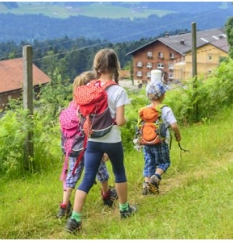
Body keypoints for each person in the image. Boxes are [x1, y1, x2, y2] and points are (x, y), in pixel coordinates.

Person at [65, 49, 137, 234]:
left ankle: (75, 219)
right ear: (116, 66)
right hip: (112, 140)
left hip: (92, 141)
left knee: (88, 178)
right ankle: (124, 209)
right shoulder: (118, 91)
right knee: (119, 172)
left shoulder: (89, 86)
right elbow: (120, 121)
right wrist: (125, 121)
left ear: (97, 66)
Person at [56, 71, 118, 219]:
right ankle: (106, 195)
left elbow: (62, 129)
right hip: (90, 148)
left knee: (71, 176)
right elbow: (94, 130)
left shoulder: (71, 107)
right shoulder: (90, 107)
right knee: (101, 171)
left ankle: (64, 206)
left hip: (73, 149)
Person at [141, 79, 182, 195]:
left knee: (149, 163)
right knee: (164, 163)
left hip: (146, 142)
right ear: (163, 95)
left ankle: (146, 184)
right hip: (160, 141)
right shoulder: (165, 109)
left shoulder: (145, 110)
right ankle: (156, 177)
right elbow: (173, 125)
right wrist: (178, 135)